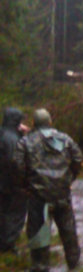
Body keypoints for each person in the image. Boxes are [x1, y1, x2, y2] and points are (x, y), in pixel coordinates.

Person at [13, 108, 83, 272]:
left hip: (39, 195)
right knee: (68, 228)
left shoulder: (26, 142)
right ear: (50, 121)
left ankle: (40, 267)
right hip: (62, 192)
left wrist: (25, 185)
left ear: (34, 124)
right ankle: (73, 261)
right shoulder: (65, 138)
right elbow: (78, 159)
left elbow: (18, 165)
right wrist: (69, 179)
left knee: (38, 230)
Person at [0, 108, 28, 254]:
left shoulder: (4, 133)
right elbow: (15, 162)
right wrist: (22, 183)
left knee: (3, 212)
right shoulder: (12, 139)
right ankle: (7, 245)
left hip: (3, 183)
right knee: (15, 214)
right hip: (10, 184)